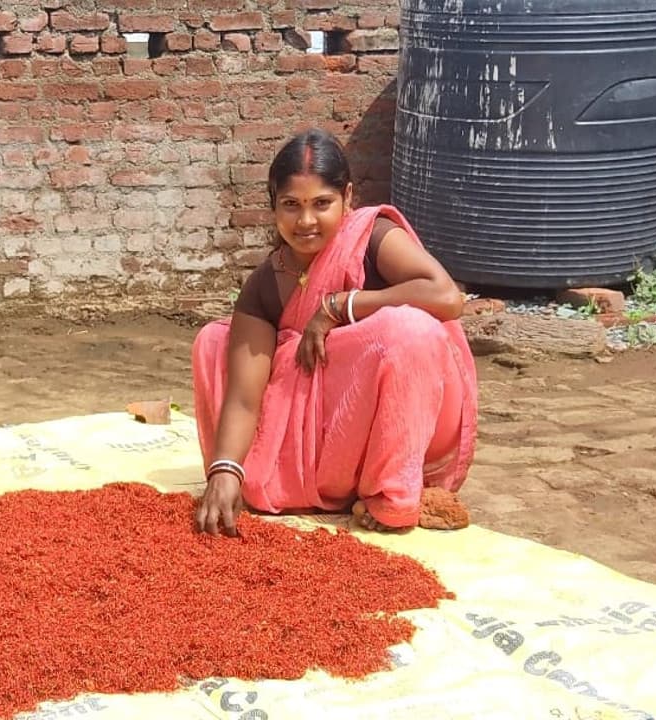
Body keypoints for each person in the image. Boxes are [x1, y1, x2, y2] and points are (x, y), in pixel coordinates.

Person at [192, 129, 478, 536]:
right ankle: (322, 485)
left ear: (347, 198)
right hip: (334, 438)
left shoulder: (372, 238)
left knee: (409, 327)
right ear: (273, 206)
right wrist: (225, 469)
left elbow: (447, 297)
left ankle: (390, 496)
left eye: (321, 204)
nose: (305, 221)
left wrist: (339, 307)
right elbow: (243, 396)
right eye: (291, 205)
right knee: (215, 342)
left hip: (405, 418)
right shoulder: (267, 283)